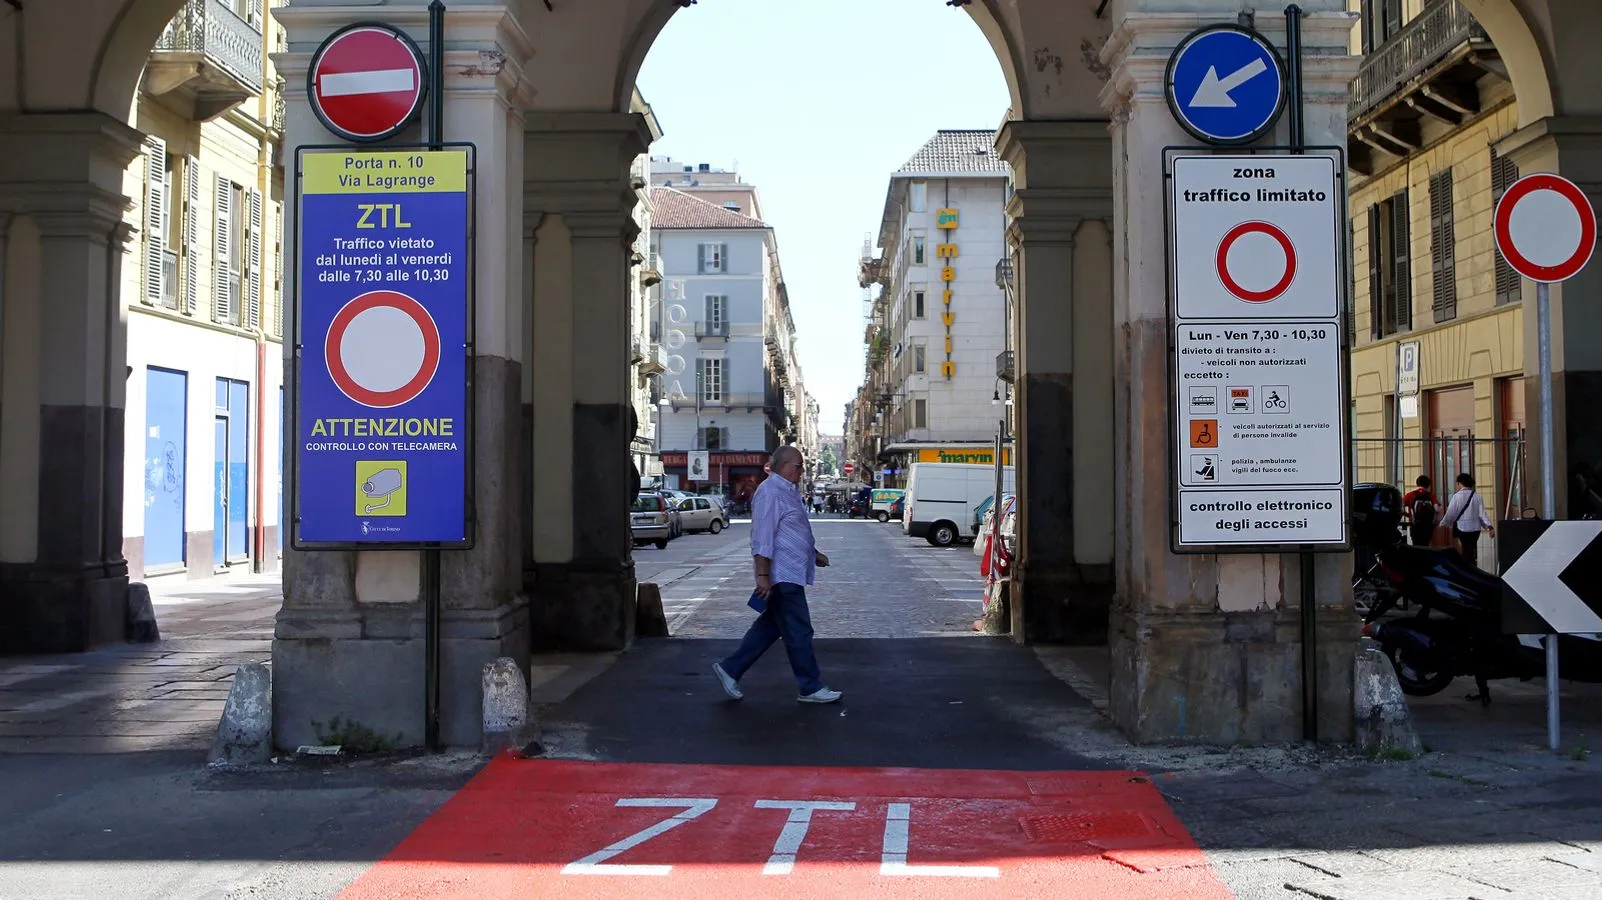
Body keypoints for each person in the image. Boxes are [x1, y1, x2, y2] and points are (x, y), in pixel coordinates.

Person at [712, 446, 842, 704]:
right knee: (799, 630)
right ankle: (810, 686)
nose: (802, 470)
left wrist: (812, 553)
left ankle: (730, 669)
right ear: (783, 465)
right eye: (798, 465)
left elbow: (789, 530)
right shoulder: (770, 492)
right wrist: (762, 575)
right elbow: (763, 536)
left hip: (789, 570)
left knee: (770, 627)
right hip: (781, 574)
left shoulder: (787, 492)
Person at [1440, 472, 1496, 568]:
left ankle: (1467, 570)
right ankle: (1471, 567)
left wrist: (1443, 523)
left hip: (1462, 529)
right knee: (1470, 550)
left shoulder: (1456, 497)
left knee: (1465, 551)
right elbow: (1482, 514)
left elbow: (1450, 513)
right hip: (1475, 530)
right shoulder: (1477, 496)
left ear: (1460, 483)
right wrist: (1489, 527)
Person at [1401, 475, 1438, 546]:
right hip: (1428, 525)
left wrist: (1408, 515)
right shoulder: (1430, 495)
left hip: (1415, 524)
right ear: (1428, 485)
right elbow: (1437, 508)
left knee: (1416, 545)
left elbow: (1400, 506)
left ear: (1417, 484)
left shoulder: (1411, 495)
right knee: (1426, 544)